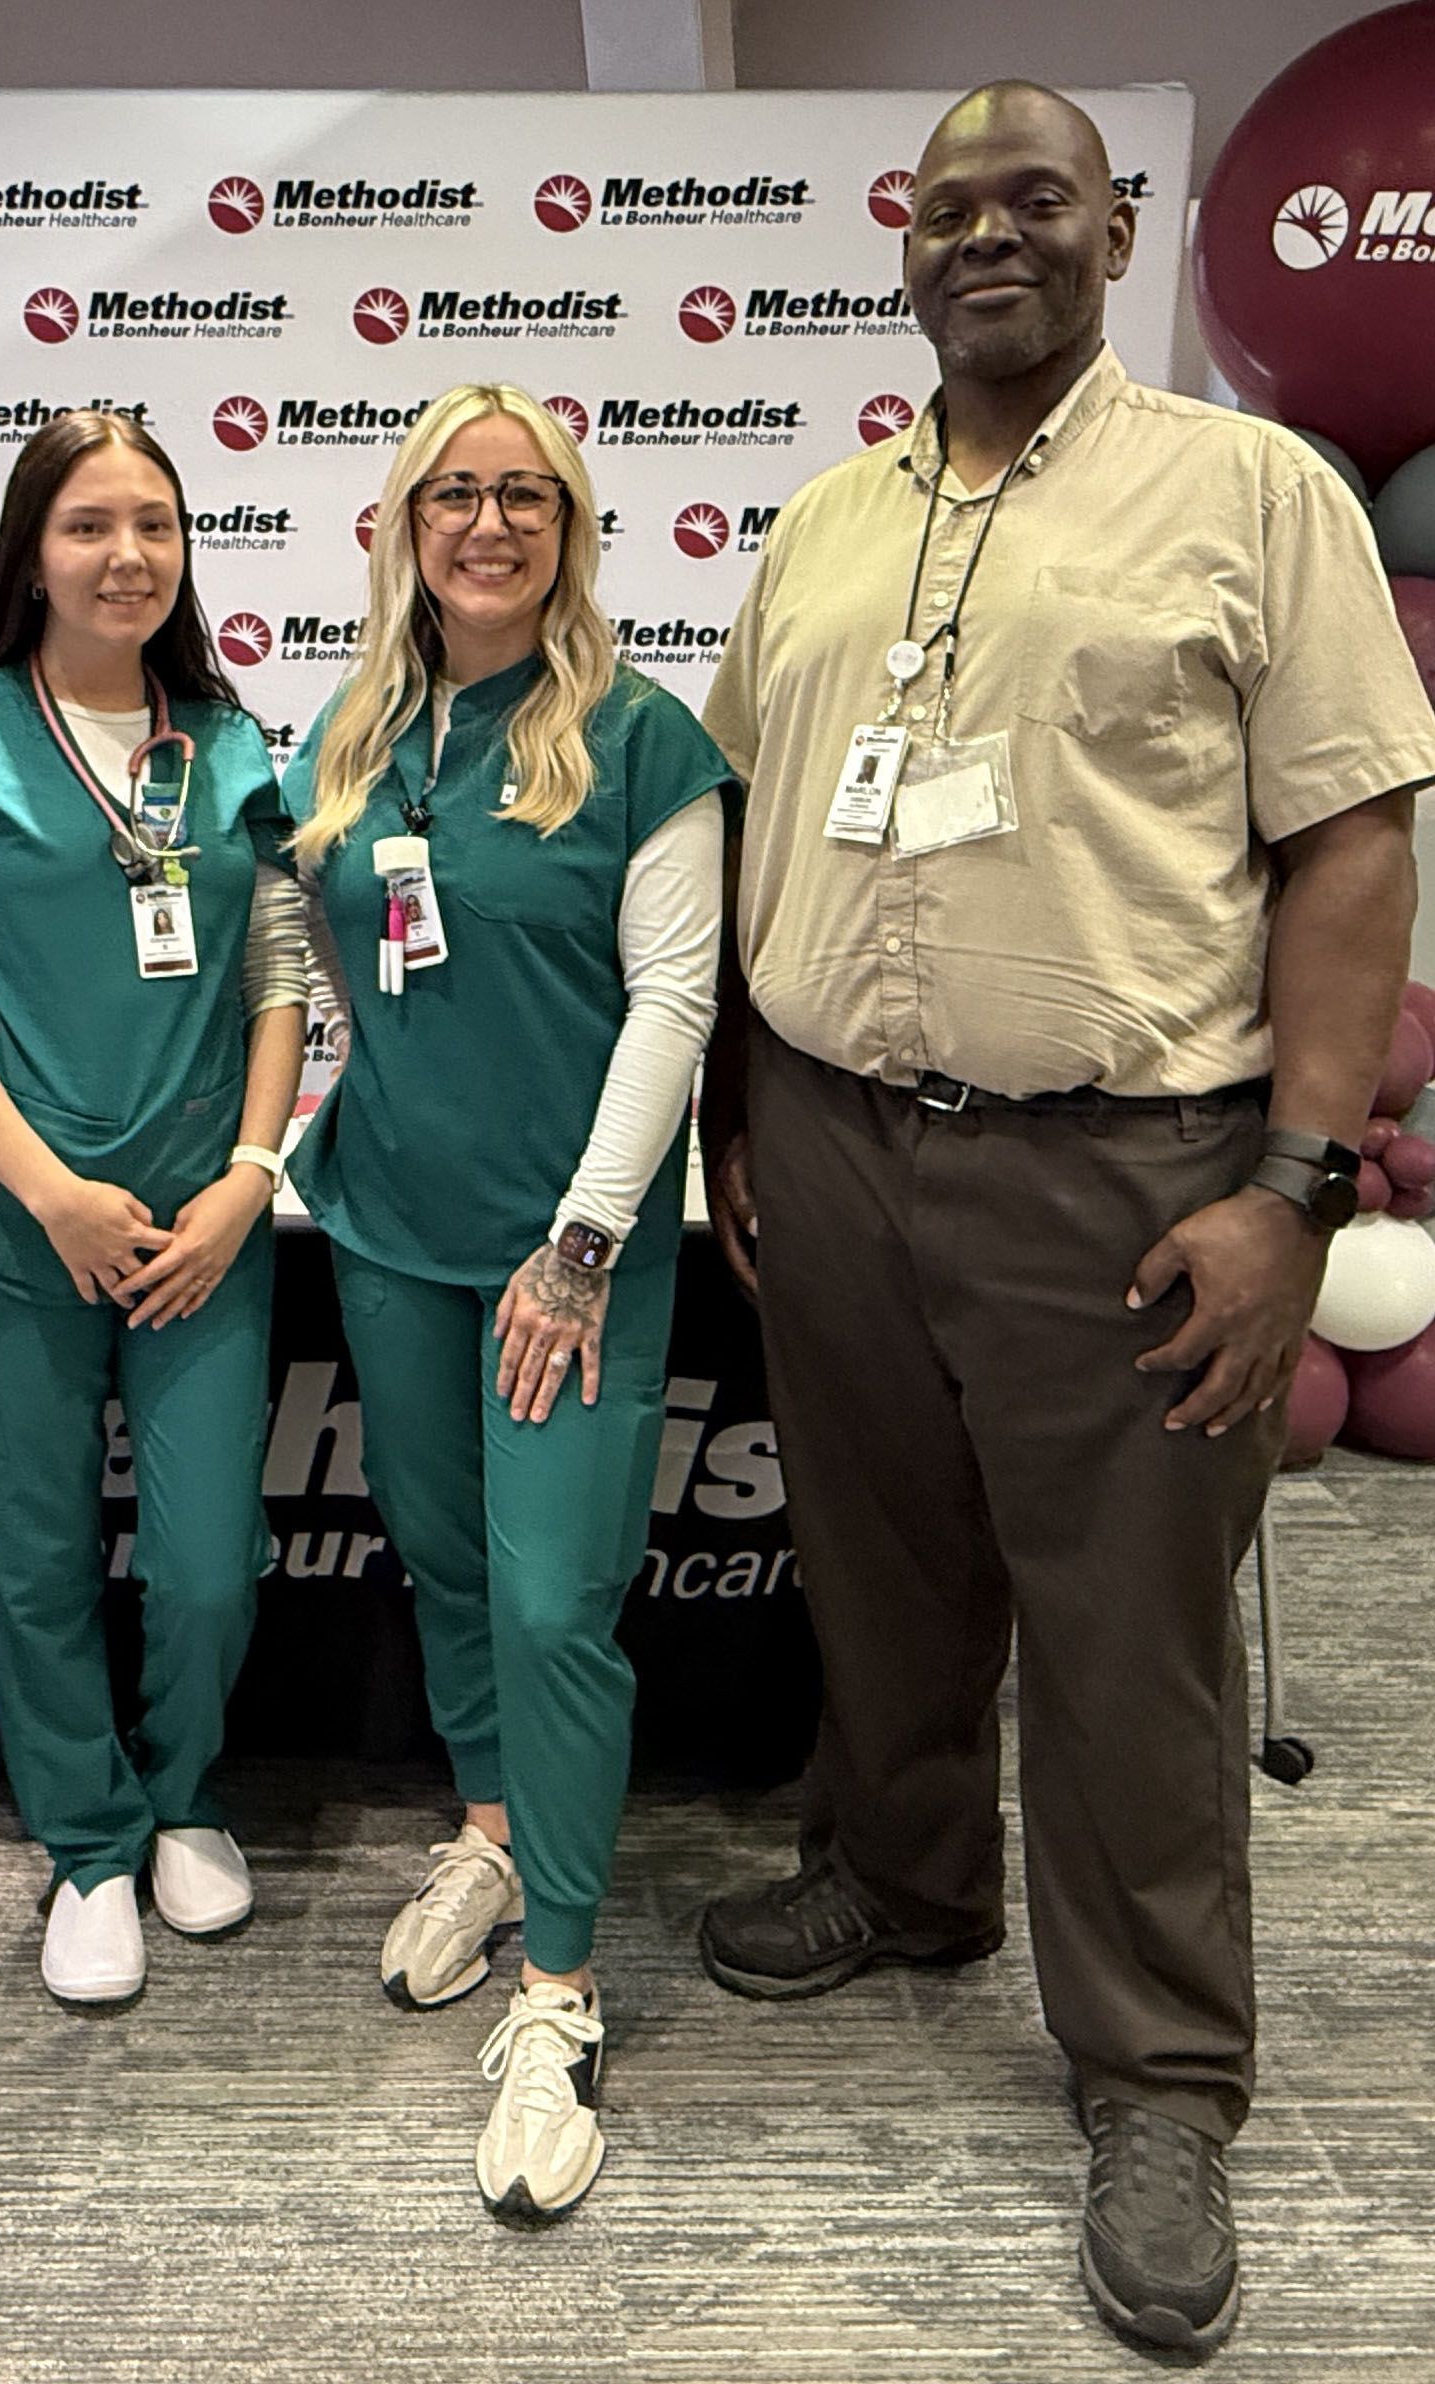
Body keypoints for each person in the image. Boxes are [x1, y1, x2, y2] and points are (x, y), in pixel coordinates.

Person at [696, 83, 1435, 2353]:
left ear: (1121, 231)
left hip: (1131, 1166)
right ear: (898, 248)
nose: (988, 235)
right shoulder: (821, 522)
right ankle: (908, 1887)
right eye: (948, 209)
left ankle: (1160, 2074)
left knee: (1129, 1637)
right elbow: (745, 829)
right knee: (882, 1562)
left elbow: (1351, 847)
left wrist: (1296, 1188)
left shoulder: (1255, 492)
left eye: (1038, 201)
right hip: (825, 1140)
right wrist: (743, 1110)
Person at [286, 384, 731, 2218]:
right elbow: (323, 945)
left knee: (554, 1602)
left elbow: (676, 1006)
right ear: (405, 526)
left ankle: (558, 1988)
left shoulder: (642, 738)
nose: (488, 523)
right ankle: (489, 1825)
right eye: (453, 494)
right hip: (389, 1232)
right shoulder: (359, 727)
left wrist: (583, 1244)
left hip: (571, 1259)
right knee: (450, 1562)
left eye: (524, 497)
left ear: (571, 529)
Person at [0, 411, 306, 2009]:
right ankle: (92, 1843)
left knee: (204, 1563)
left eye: (158, 526)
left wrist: (250, 1179)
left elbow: (275, 980)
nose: (127, 556)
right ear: (29, 552)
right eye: (88, 525)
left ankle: (185, 1791)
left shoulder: (232, 745)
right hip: (8, 1217)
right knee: (39, 1555)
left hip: (200, 1229)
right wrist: (50, 1195)